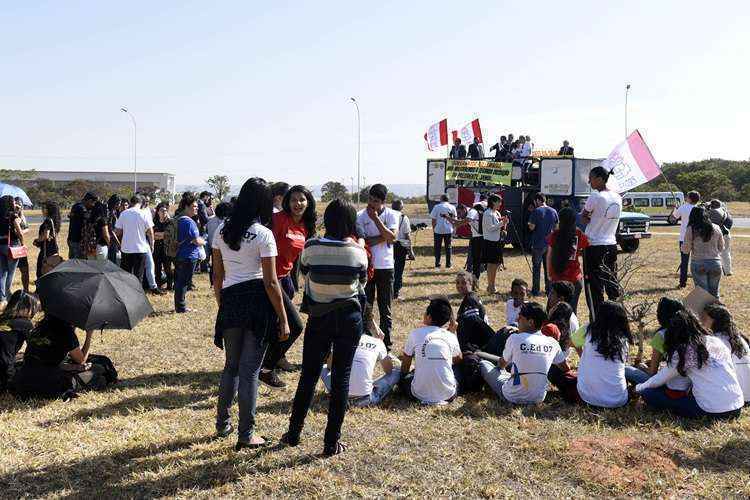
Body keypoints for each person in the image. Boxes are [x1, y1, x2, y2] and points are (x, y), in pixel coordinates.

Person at [282, 198, 368, 457]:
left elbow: (306, 271)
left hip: (319, 318)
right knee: (341, 379)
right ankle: (331, 443)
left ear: (326, 220)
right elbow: (361, 279)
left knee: (308, 375)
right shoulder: (357, 252)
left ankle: (294, 433)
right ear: (351, 224)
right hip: (349, 318)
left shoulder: (311, 246)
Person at [212, 177, 289, 450]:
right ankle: (246, 434)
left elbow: (217, 277)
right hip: (257, 301)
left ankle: (222, 424)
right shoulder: (263, 234)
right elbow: (270, 282)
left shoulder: (221, 230)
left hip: (231, 300)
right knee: (250, 371)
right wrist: (282, 316)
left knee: (230, 366)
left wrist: (223, 304)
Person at [635, 310, 743, 419]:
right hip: (737, 406)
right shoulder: (716, 341)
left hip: (712, 410)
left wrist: (639, 388)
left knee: (649, 393)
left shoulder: (684, 351)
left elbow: (659, 379)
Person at [259, 185, 315, 388]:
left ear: (308, 202)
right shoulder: (279, 220)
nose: (297, 204)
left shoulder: (306, 225)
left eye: (302, 199)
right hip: (270, 278)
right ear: (286, 202)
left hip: (285, 279)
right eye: (293, 200)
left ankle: (268, 362)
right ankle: (266, 369)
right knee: (294, 326)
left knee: (276, 326)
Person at [479, 302, 569, 405]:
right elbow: (565, 368)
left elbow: (502, 365)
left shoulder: (515, 338)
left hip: (512, 396)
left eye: (520, 318)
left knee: (484, 364)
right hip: (539, 397)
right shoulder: (552, 342)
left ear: (530, 322)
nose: (517, 320)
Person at [549, 301, 633, 408]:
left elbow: (569, 343)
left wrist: (582, 353)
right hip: (619, 401)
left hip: (586, 398)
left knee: (555, 372)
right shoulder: (624, 339)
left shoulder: (588, 330)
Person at [12, 315, 111, 398]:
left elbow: (45, 361)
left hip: (24, 380)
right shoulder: (66, 332)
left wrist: (72, 367)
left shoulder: (39, 328)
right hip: (48, 384)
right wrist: (89, 336)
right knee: (99, 373)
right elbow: (81, 360)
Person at [357, 184, 398, 349]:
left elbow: (393, 237)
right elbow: (363, 240)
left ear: (383, 202)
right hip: (368, 266)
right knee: (367, 305)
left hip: (386, 267)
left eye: (376, 201)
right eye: (370, 199)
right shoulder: (360, 216)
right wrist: (384, 236)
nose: (371, 204)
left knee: (385, 306)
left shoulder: (392, 215)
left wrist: (375, 219)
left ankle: (386, 342)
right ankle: (366, 339)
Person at [399, 296, 462, 405]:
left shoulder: (415, 333)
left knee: (405, 376)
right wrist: (452, 331)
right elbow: (458, 360)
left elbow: (405, 365)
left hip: (418, 393)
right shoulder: (450, 336)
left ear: (428, 317)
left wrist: (403, 378)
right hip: (448, 394)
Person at [624, 297, 692, 395]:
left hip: (670, 387)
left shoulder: (661, 335)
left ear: (661, 315)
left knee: (626, 369)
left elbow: (652, 373)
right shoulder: (691, 331)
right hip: (689, 386)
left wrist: (642, 367)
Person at [581, 166, 622, 319]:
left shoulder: (595, 196)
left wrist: (589, 219)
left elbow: (584, 216)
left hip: (594, 245)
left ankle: (597, 319)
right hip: (611, 244)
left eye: (591, 178)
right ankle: (615, 316)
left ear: (599, 179)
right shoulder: (617, 197)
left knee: (594, 287)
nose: (589, 181)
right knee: (611, 283)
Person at [320, 331, 400, 408]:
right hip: (366, 399)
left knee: (323, 368)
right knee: (396, 372)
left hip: (339, 395)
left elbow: (329, 366)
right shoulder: (378, 342)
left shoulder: (340, 339)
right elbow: (389, 370)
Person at [702, 303, 749, 404]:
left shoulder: (716, 341)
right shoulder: (741, 338)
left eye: (705, 319)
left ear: (714, 321)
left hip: (737, 397)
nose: (702, 322)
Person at [546, 207, 588, 313]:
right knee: (572, 312)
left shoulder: (555, 235)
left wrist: (548, 273)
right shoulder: (579, 234)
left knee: (553, 312)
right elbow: (587, 244)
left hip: (557, 278)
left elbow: (549, 255)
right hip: (575, 278)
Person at [0, 291, 39, 391]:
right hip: (4, 371)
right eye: (34, 308)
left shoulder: (2, 318)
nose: (34, 312)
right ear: (26, 308)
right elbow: (36, 347)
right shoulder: (25, 324)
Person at [682, 205, 724, 297]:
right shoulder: (716, 227)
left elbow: (686, 249)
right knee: (714, 293)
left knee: (702, 294)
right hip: (715, 263)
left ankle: (704, 311)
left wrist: (683, 248)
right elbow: (721, 247)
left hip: (699, 263)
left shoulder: (691, 229)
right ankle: (716, 310)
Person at [174, 194, 205, 313]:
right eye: (194, 206)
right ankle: (181, 307)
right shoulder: (188, 222)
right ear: (186, 207)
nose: (196, 208)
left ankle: (180, 305)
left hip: (180, 254)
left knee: (181, 281)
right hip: (188, 256)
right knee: (184, 282)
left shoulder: (179, 219)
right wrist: (204, 241)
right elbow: (196, 240)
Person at [115, 195, 154, 285]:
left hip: (126, 249)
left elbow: (117, 232)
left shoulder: (124, 214)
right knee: (138, 276)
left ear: (131, 203)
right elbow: (150, 232)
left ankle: (126, 294)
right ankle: (137, 295)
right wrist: (152, 245)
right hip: (140, 249)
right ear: (140, 203)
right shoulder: (144, 213)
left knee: (126, 275)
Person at [527, 194, 558, 297]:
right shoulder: (553, 211)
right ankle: (549, 290)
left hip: (538, 243)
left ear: (537, 200)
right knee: (548, 268)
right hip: (550, 244)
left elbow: (531, 227)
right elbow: (556, 227)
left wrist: (529, 223)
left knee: (536, 267)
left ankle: (535, 290)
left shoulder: (536, 211)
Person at [671, 191, 700, 288]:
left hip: (684, 238)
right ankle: (699, 282)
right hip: (697, 238)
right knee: (698, 261)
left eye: (687, 197)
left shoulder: (683, 207)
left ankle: (682, 283)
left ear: (690, 198)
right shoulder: (699, 208)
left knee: (684, 261)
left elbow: (673, 218)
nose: (686, 198)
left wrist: (675, 208)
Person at [0, 196, 24, 309]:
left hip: (1, 246)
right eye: (13, 201)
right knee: (11, 272)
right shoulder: (12, 216)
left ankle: (2, 298)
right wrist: (22, 243)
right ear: (10, 203)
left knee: (2, 273)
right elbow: (20, 233)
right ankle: (9, 295)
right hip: (12, 246)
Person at [482, 194, 507, 294]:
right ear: (493, 202)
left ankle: (492, 285)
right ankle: (490, 286)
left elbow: (497, 225)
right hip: (490, 242)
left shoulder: (496, 213)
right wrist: (501, 223)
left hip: (497, 241)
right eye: (499, 202)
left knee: (497, 264)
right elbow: (490, 228)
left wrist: (503, 223)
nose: (500, 204)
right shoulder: (487, 213)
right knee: (491, 265)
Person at [391, 199, 413, 300]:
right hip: (400, 245)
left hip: (389, 244)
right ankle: (396, 292)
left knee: (389, 269)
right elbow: (407, 235)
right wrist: (410, 250)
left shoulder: (387, 216)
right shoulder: (404, 218)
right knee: (398, 270)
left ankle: (388, 290)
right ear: (401, 207)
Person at [34, 201, 61, 279]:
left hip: (46, 251)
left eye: (44, 208)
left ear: (49, 209)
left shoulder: (48, 221)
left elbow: (46, 236)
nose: (42, 210)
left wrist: (37, 240)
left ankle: (41, 290)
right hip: (53, 250)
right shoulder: (55, 221)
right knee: (52, 270)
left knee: (41, 271)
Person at [430, 194, 458, 269]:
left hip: (438, 230)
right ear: (448, 199)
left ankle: (437, 264)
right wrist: (454, 229)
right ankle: (448, 264)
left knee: (437, 248)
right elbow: (455, 220)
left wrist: (434, 229)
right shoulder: (452, 207)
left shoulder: (437, 207)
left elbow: (433, 219)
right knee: (448, 247)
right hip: (448, 230)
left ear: (441, 199)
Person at [67, 192, 97, 260]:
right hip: (76, 241)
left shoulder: (77, 206)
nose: (93, 205)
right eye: (93, 203)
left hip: (75, 240)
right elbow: (88, 217)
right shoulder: (80, 208)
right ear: (89, 201)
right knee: (77, 263)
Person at [708, 199, 732, 276]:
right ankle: (728, 271)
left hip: (717, 235)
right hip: (726, 233)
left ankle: (718, 272)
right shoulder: (726, 212)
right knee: (726, 253)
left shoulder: (713, 212)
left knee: (715, 253)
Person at [152, 202, 174, 291]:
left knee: (168, 268)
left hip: (167, 249)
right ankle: (158, 285)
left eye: (165, 210)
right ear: (158, 212)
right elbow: (152, 234)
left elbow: (169, 234)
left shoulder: (169, 222)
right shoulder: (154, 222)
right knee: (157, 268)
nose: (164, 212)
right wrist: (161, 235)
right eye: (162, 210)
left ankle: (169, 286)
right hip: (157, 248)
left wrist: (159, 235)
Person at [13, 198, 30, 292]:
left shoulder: (22, 217)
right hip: (15, 245)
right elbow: (16, 233)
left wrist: (22, 231)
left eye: (20, 206)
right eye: (16, 206)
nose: (18, 208)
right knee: (9, 271)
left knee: (25, 270)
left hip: (20, 246)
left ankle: (26, 290)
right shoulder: (12, 216)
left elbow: (27, 228)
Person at [466, 202, 484, 280]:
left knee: (475, 259)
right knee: (478, 258)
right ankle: (477, 275)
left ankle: (475, 277)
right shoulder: (482, 212)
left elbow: (467, 220)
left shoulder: (473, 211)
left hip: (476, 238)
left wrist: (457, 223)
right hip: (483, 237)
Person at [197, 191, 212, 273]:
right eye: (208, 197)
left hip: (198, 228)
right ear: (205, 196)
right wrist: (212, 217)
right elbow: (205, 219)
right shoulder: (202, 205)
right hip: (202, 229)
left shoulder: (198, 203)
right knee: (204, 248)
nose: (209, 200)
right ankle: (203, 267)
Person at [106, 194, 122, 264]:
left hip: (114, 241)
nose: (119, 205)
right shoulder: (110, 213)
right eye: (119, 203)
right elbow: (111, 230)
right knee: (112, 262)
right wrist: (118, 243)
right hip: (112, 241)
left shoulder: (115, 212)